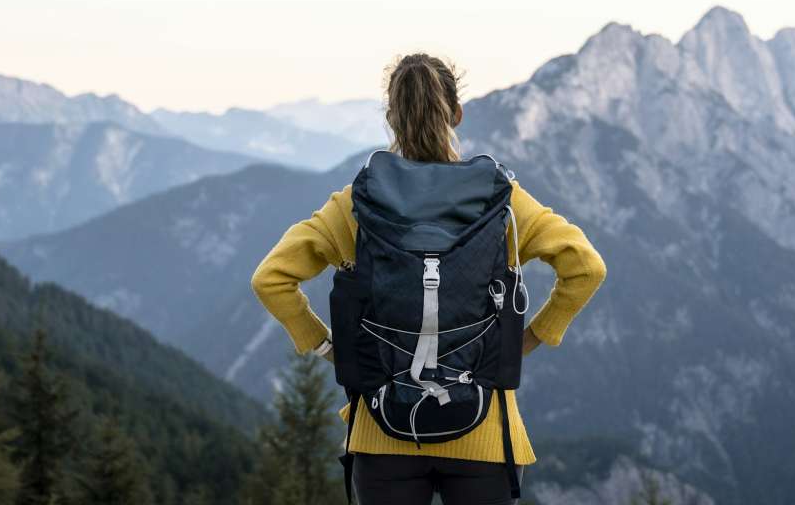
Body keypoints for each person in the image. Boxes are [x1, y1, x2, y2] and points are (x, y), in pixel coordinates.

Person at [252, 52, 607, 504]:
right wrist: (529, 340)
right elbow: (586, 267)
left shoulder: (355, 206)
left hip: (383, 430)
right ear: (456, 114)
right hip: (485, 429)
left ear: (390, 119)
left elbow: (271, 279)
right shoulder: (503, 204)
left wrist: (327, 348)